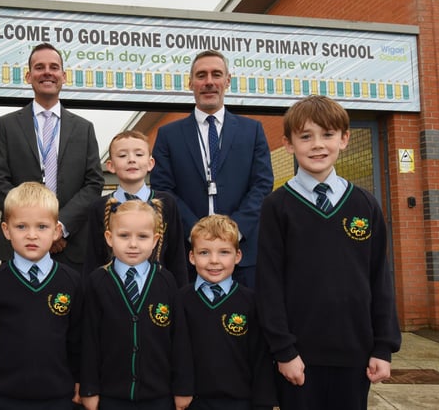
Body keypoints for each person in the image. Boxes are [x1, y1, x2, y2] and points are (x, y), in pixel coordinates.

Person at [255, 95, 401, 410]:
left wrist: (383, 347)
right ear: (289, 144)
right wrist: (284, 350)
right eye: (306, 136)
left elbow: (380, 279)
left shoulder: (365, 204)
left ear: (344, 139)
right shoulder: (277, 206)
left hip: (355, 355)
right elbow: (268, 284)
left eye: (327, 134)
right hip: (300, 357)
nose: (317, 145)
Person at [150, 49, 274, 287]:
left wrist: (234, 231)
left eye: (216, 74)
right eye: (201, 75)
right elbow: (163, 188)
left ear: (227, 81)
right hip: (188, 256)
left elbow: (262, 184)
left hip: (242, 255)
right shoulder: (168, 135)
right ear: (190, 83)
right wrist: (196, 233)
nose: (209, 82)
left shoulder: (253, 131)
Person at [0, 182, 83, 410]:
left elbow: (79, 339)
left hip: (60, 398)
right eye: (21, 227)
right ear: (6, 230)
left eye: (42, 227)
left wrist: (81, 381)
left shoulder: (72, 282)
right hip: (4, 398)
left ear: (56, 231)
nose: (32, 235)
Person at [0, 42, 104, 271]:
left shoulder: (84, 128)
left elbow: (93, 183)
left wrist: (59, 227)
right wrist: (37, 228)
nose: (47, 72)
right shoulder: (7, 125)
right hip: (19, 244)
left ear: (63, 76)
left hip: (71, 247)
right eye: (39, 67)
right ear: (28, 75)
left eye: (54, 67)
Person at [80, 198, 193, 410]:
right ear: (109, 238)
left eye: (142, 237)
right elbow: (89, 339)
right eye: (124, 236)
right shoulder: (97, 281)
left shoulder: (166, 281)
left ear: (155, 240)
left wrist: (183, 388)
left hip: (159, 397)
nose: (133, 244)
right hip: (111, 396)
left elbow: (180, 340)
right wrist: (89, 389)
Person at [177, 214, 276, 410]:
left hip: (241, 403)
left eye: (224, 252)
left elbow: (261, 359)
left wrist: (263, 403)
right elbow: (176, 354)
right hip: (194, 403)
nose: (214, 261)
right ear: (192, 257)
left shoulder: (251, 302)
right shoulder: (180, 300)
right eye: (204, 252)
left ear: (237, 256)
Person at [84, 130, 188, 286]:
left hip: (159, 291)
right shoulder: (98, 207)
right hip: (111, 290)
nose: (131, 160)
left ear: (150, 163)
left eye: (139, 155)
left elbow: (176, 256)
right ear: (110, 166)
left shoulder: (167, 202)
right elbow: (93, 257)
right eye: (122, 156)